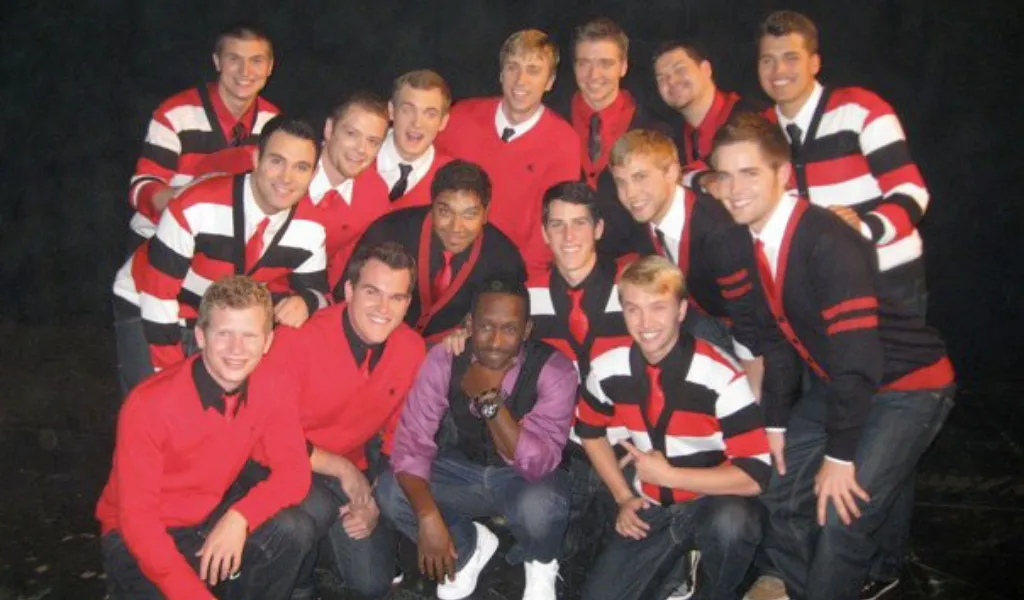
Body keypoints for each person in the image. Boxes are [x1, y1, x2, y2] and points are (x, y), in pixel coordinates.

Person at [709, 114, 954, 600]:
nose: (734, 188)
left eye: (749, 173)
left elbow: (857, 356)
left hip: (907, 387)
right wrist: (775, 424)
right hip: (840, 382)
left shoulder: (825, 240)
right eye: (725, 175)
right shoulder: (755, 236)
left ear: (782, 175)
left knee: (842, 509)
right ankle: (795, 584)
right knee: (778, 479)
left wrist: (841, 454)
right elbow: (777, 341)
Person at [96, 275, 313, 600]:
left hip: (210, 512)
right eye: (224, 334)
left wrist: (239, 517)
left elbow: (294, 473)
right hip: (140, 531)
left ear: (267, 342)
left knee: (292, 531)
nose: (237, 350)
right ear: (200, 336)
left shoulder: (272, 383)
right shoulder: (149, 404)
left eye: (249, 336)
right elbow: (138, 520)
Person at [577, 255, 771, 600]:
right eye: (633, 308)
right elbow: (590, 432)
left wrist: (670, 476)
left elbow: (756, 476)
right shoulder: (607, 368)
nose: (645, 321)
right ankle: (677, 567)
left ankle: (716, 590)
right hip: (651, 506)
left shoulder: (721, 376)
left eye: (658, 307)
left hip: (712, 502)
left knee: (733, 523)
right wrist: (623, 497)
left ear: (682, 311)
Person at [376, 276, 578, 600]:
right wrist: (428, 517)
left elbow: (538, 465)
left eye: (509, 329)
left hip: (522, 480)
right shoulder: (445, 359)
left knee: (542, 507)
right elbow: (411, 443)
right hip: (459, 470)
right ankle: (467, 546)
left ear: (526, 330)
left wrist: (488, 401)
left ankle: (541, 562)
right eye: (486, 327)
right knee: (390, 491)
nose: (495, 341)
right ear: (469, 324)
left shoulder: (555, 371)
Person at [111, 115, 328, 395]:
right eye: (277, 161)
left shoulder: (311, 228)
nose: (287, 178)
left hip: (217, 318)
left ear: (312, 174)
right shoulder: (197, 204)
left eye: (301, 167)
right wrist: (171, 377)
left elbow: (321, 293)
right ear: (255, 158)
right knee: (157, 403)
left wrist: (307, 301)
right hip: (146, 298)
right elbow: (158, 294)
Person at [258, 242, 426, 599]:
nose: (383, 309)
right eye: (372, 292)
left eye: (396, 298)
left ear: (408, 303)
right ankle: (296, 582)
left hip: (354, 466)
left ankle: (326, 536)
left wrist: (375, 497)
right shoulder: (297, 340)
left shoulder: (411, 349)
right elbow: (269, 436)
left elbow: (401, 438)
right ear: (348, 291)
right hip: (286, 464)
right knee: (311, 512)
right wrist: (343, 471)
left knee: (372, 582)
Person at [756, 11, 931, 304]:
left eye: (791, 57)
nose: (778, 70)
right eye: (767, 60)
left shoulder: (861, 109)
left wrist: (863, 229)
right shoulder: (761, 131)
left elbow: (912, 192)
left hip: (886, 278)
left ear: (814, 63)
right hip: (818, 285)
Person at [609, 129, 763, 383]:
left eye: (640, 177)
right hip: (698, 319)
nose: (630, 193)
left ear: (670, 172)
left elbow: (750, 318)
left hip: (751, 332)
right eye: (621, 182)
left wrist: (754, 392)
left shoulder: (717, 230)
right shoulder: (642, 216)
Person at [435, 28, 580, 275]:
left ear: (550, 81)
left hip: (510, 273)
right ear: (501, 74)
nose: (521, 80)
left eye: (533, 70)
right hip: (442, 261)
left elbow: (553, 224)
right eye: (513, 67)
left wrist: (520, 281)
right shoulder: (460, 117)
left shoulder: (564, 142)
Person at [127, 24, 280, 248]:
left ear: (270, 67)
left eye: (256, 60)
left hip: (228, 253)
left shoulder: (275, 123)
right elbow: (142, 189)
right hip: (159, 242)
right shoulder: (176, 113)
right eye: (234, 59)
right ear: (217, 62)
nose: (245, 71)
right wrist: (199, 201)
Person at [340, 160, 526, 344]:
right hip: (374, 335)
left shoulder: (504, 260)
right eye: (445, 212)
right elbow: (346, 297)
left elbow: (509, 329)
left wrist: (470, 334)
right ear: (432, 205)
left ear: (486, 213)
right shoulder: (388, 232)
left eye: (469, 214)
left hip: (450, 354)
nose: (456, 227)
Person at [554, 18, 671, 259]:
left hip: (636, 269)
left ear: (624, 66)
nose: (593, 74)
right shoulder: (551, 121)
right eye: (584, 63)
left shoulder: (655, 127)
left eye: (605, 63)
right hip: (562, 263)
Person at [303, 93, 391, 290]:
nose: (361, 149)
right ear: (329, 129)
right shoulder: (292, 167)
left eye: (373, 142)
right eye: (352, 134)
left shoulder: (374, 193)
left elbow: (348, 265)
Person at [652, 40, 763, 190]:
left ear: (706, 69)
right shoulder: (670, 138)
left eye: (680, 70)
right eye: (662, 78)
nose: (671, 81)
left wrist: (690, 177)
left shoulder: (754, 117)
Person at [377, 69, 455, 208]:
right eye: (408, 110)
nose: (417, 123)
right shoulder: (357, 155)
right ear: (391, 111)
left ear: (443, 121)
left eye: (430, 114)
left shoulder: (451, 179)